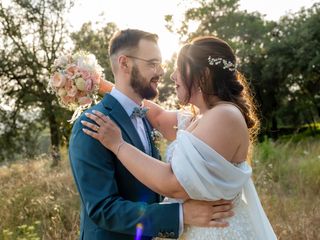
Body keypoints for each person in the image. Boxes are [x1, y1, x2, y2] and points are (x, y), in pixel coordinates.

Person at [82, 36, 277, 239]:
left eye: (179, 69)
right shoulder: (201, 116)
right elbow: (157, 117)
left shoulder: (224, 116)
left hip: (219, 231)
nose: (173, 76)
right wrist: (101, 85)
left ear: (203, 75)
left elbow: (173, 183)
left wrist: (118, 144)